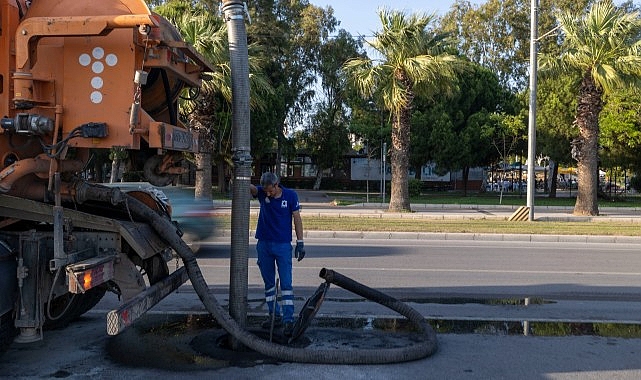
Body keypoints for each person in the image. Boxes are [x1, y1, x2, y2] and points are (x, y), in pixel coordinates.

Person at [250, 172, 305, 336]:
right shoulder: (262, 193)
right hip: (264, 245)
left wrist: (300, 243)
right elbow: (251, 188)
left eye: (270, 191)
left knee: (286, 284)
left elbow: (297, 219)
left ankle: (288, 320)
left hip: (282, 246)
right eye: (265, 190)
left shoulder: (290, 196)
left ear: (277, 185)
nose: (267, 194)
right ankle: (274, 314)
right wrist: (240, 178)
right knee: (269, 284)